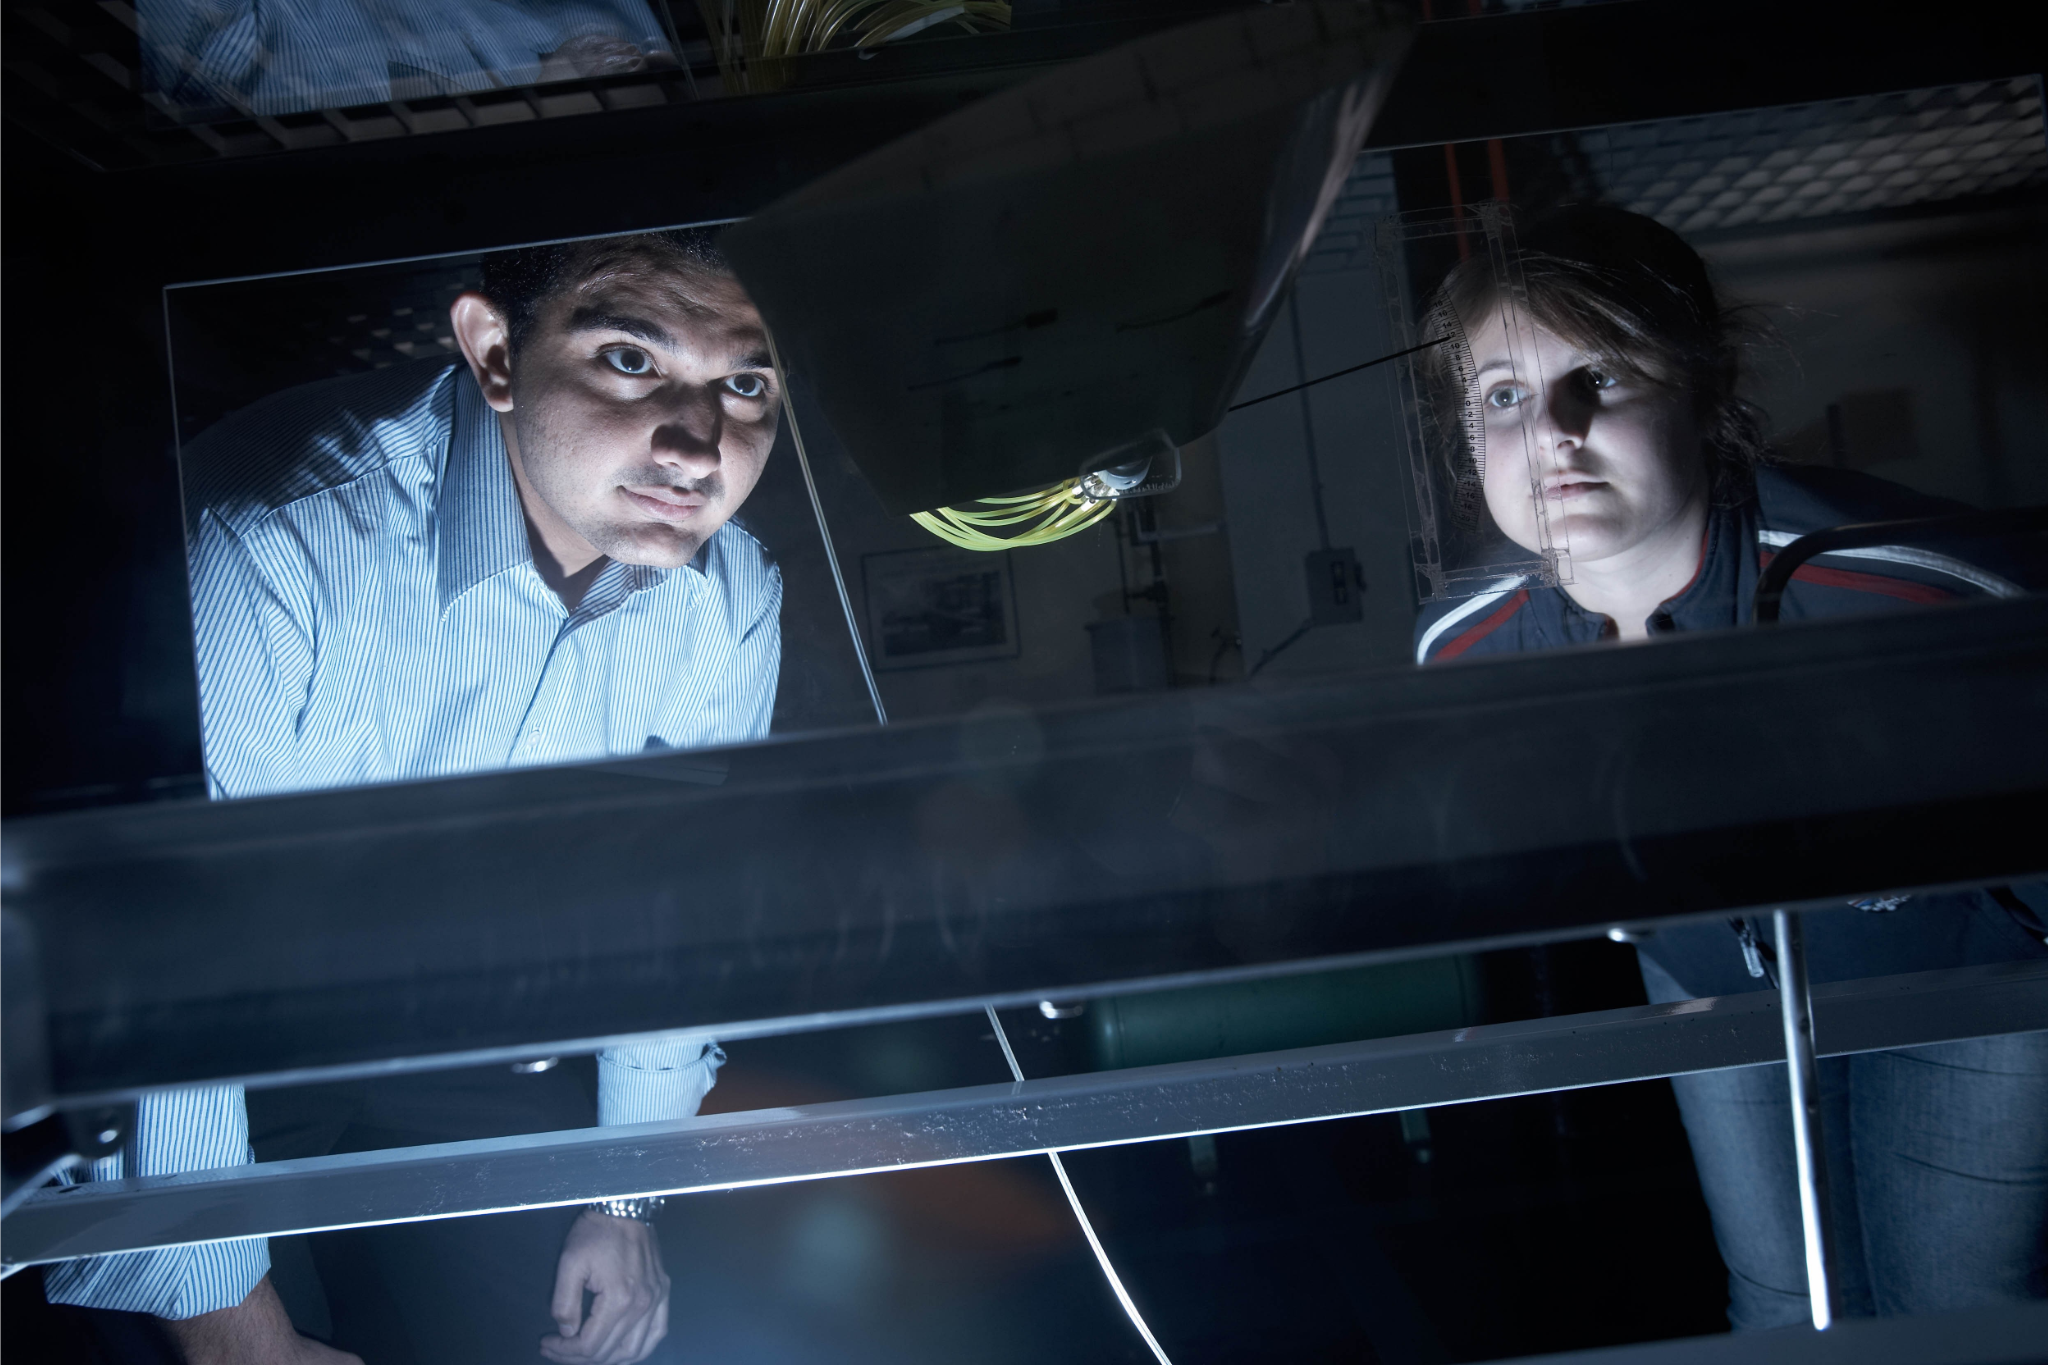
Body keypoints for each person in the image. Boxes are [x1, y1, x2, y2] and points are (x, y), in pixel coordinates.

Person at [44, 227, 786, 1364]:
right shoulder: (271, 541)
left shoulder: (728, 596)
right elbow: (153, 957)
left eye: (743, 383)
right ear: (494, 353)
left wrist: (625, 1195)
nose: (696, 446)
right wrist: (229, 1325)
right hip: (222, 1038)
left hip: (483, 1032)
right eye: (629, 362)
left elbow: (668, 914)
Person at [1413, 205, 2048, 1328]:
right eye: (1502, 397)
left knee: (1950, 1305)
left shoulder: (1898, 581)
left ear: (1703, 391)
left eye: (1598, 376)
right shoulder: (1461, 650)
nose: (1552, 431)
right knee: (1778, 1302)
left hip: (1968, 977)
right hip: (1710, 980)